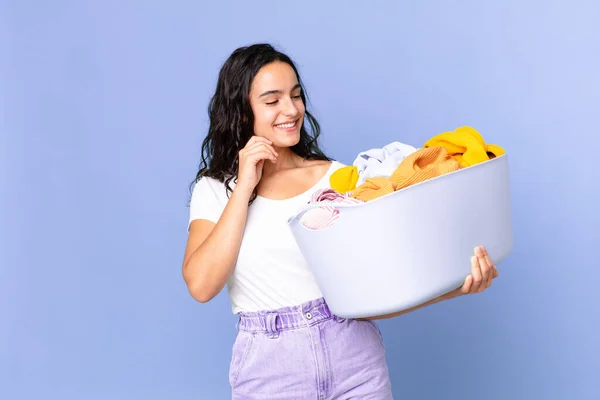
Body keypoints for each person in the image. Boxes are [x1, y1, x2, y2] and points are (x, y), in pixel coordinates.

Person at [182, 43, 499, 400]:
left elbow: (372, 292)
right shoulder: (215, 189)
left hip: (355, 363)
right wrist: (244, 188)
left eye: (296, 96)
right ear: (242, 112)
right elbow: (201, 285)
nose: (290, 110)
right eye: (272, 101)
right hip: (270, 370)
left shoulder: (338, 179)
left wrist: (454, 287)